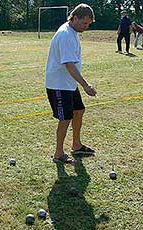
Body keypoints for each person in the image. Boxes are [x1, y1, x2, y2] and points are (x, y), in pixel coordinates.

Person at [45, 3, 97, 164]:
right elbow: (69, 65)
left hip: (68, 83)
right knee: (65, 118)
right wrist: (85, 85)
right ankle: (58, 153)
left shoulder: (72, 31)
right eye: (84, 23)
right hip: (59, 85)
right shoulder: (65, 34)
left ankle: (76, 145)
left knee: (79, 110)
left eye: (88, 24)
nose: (86, 27)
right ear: (74, 18)